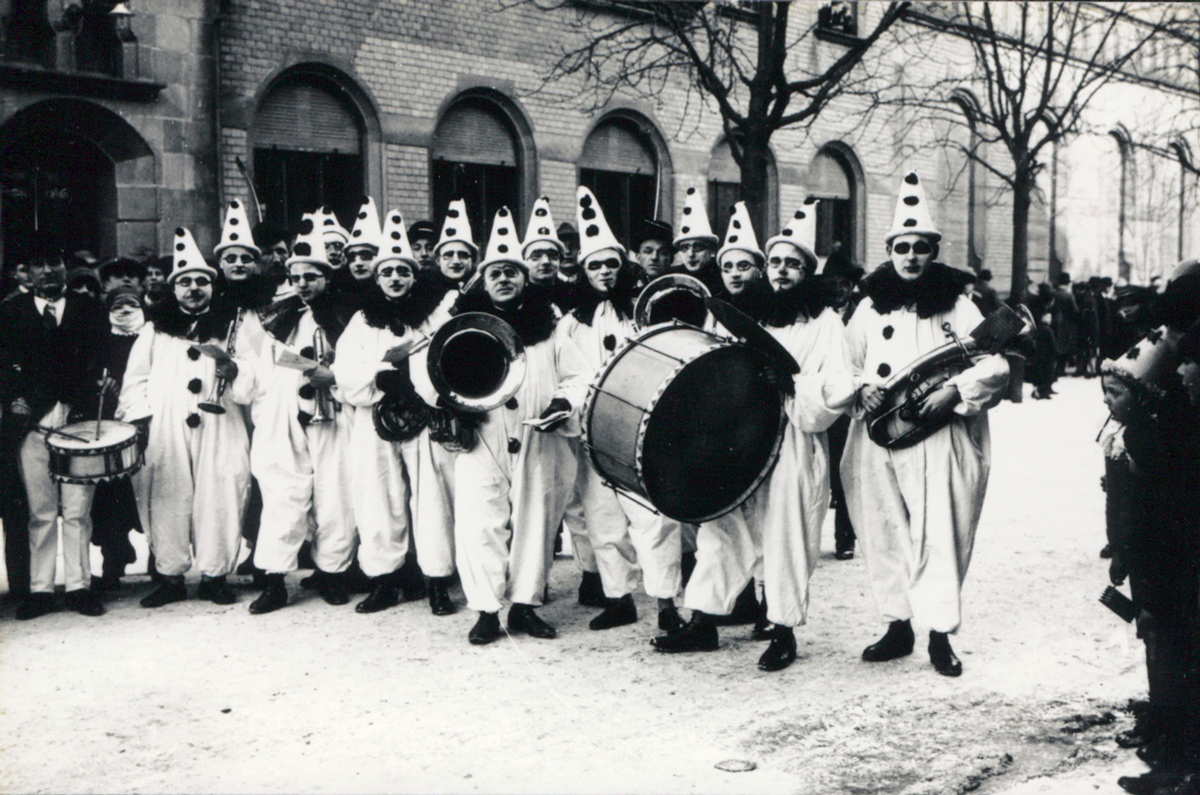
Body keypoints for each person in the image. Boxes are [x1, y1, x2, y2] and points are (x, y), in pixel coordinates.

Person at [840, 171, 1009, 677]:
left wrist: (955, 390)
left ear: (934, 251)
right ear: (890, 251)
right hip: (880, 437)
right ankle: (897, 625)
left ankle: (939, 633)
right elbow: (843, 363)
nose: (911, 256)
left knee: (942, 530)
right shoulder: (869, 308)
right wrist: (860, 387)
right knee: (885, 527)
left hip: (941, 435)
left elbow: (993, 364)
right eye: (902, 247)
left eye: (920, 247)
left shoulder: (957, 303)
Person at [449, 207, 589, 645]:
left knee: (537, 518)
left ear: (524, 278)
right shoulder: (460, 322)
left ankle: (525, 605)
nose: (504, 279)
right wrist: (451, 406)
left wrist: (565, 401)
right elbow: (430, 370)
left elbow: (579, 374)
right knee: (480, 521)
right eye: (496, 273)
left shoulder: (548, 326)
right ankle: (487, 610)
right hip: (481, 434)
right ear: (483, 278)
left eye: (512, 272)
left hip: (536, 433)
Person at [560, 187, 684, 633]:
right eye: (595, 265)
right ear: (583, 271)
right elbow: (569, 377)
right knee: (603, 518)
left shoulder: (643, 309)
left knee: (654, 519)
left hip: (639, 429)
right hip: (594, 432)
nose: (605, 272)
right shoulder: (570, 322)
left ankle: (666, 601)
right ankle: (618, 598)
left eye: (611, 263)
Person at [118, 227, 257, 608]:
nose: (194, 288)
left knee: (222, 491)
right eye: (185, 282)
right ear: (174, 288)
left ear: (212, 286)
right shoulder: (155, 328)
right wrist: (142, 420)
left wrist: (236, 373)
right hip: (167, 426)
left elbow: (255, 373)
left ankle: (215, 575)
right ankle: (171, 575)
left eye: (201, 281)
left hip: (221, 421)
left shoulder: (235, 325)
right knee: (166, 494)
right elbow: (135, 380)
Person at [331, 209, 455, 614]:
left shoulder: (430, 316)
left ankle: (436, 579)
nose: (396, 279)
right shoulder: (362, 321)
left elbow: (444, 359)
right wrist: (379, 376)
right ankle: (385, 580)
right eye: (388, 273)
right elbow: (345, 371)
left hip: (422, 418)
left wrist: (419, 385)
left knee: (432, 497)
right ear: (378, 278)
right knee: (377, 495)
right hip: (377, 419)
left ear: (413, 276)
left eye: (403, 272)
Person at [1104, 327, 1200, 795]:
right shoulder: (1156, 424)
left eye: (1189, 361)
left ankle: (1182, 760)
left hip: (1175, 562)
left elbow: (1166, 504)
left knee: (1179, 652)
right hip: (1163, 560)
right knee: (1170, 648)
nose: (1181, 370)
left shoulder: (1165, 429)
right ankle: (1177, 752)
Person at [0, 243, 108, 619]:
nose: (47, 271)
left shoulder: (90, 309)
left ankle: (80, 587)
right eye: (38, 264)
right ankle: (41, 590)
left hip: (77, 422)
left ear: (65, 268)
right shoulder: (10, 312)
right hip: (32, 423)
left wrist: (96, 392)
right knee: (40, 511)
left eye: (54, 263)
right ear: (27, 272)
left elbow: (102, 360)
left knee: (78, 510)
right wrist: (13, 399)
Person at [89, 285, 148, 592]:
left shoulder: (152, 336)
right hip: (110, 422)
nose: (125, 310)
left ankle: (159, 559)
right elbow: (88, 370)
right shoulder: (100, 339)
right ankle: (113, 557)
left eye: (132, 303)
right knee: (110, 495)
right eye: (118, 305)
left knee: (153, 492)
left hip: (148, 421)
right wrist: (99, 381)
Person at [522, 197, 576, 314]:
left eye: (552, 256)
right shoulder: (518, 297)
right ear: (525, 261)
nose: (546, 261)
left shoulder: (573, 295)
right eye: (536, 256)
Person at [669, 187, 723, 296]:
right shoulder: (673, 276)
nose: (691, 254)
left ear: (711, 250)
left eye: (697, 247)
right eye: (685, 248)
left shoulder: (723, 277)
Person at [342, 196, 383, 306]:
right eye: (352, 257)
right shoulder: (343, 299)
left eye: (365, 256)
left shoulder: (390, 295)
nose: (358, 263)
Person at [432, 199, 478, 293]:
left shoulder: (483, 292)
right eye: (448, 255)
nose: (456, 261)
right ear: (438, 260)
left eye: (463, 255)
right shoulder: (426, 292)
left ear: (473, 260)